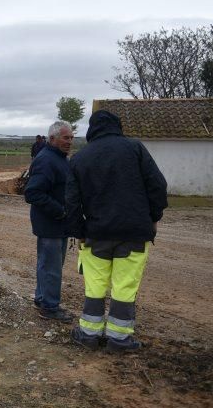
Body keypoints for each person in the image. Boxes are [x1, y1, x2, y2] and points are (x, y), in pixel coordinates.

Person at [66, 110, 167, 353]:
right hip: (134, 233)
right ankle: (119, 340)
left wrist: (79, 232)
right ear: (118, 126)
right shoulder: (135, 148)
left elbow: (71, 202)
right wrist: (153, 218)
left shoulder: (80, 158)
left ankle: (89, 335)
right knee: (124, 287)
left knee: (95, 286)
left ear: (92, 129)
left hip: (96, 234)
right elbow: (158, 186)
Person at [24, 121, 74, 322]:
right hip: (51, 224)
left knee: (47, 264)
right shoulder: (47, 160)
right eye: (65, 138)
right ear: (52, 139)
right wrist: (60, 211)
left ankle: (42, 298)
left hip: (57, 224)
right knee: (52, 267)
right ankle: (50, 308)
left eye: (71, 138)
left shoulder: (59, 158)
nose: (69, 142)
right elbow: (33, 192)